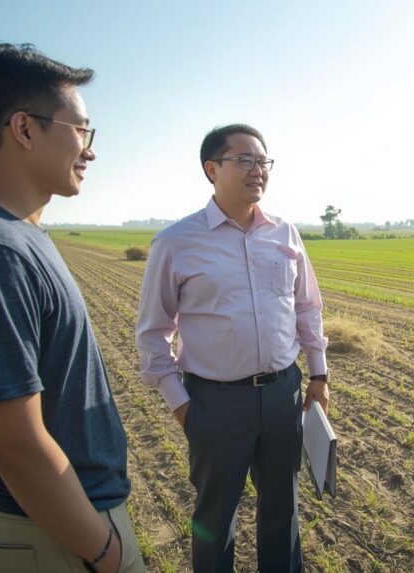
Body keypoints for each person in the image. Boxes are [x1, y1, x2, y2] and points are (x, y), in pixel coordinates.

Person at [0, 42, 143, 572]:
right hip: (58, 536)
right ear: (23, 129)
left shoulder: (20, 237)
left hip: (64, 524)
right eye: (81, 130)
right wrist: (103, 549)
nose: (90, 150)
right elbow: (15, 443)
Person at [135, 124, 329, 572]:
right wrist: (184, 407)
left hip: (283, 395)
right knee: (216, 517)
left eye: (263, 161)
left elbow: (307, 309)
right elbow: (152, 333)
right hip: (215, 401)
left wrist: (318, 375)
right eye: (244, 160)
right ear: (212, 169)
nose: (257, 170)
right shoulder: (175, 242)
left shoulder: (285, 233)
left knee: (283, 511)